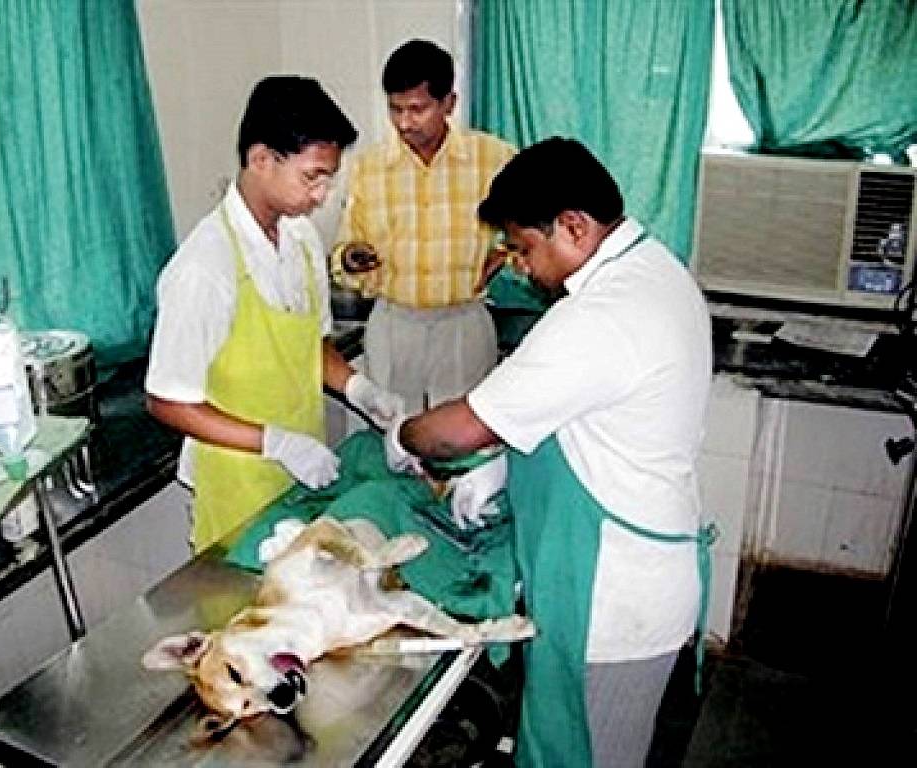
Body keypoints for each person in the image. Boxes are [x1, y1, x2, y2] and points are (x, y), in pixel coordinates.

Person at [385, 137, 714, 767]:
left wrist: (401, 435)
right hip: (633, 572)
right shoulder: (656, 270)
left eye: (526, 249)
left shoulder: (601, 314)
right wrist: (508, 465)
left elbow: (459, 430)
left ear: (574, 226)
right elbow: (594, 418)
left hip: (612, 606)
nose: (523, 268)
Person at [146, 76, 403, 554]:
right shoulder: (205, 266)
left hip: (303, 476)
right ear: (261, 159)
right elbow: (167, 400)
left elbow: (309, 347)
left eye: (329, 177)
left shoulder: (301, 239)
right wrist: (276, 444)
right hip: (239, 487)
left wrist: (359, 389)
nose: (323, 195)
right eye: (313, 176)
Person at [331, 38, 516, 413]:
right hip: (394, 323)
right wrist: (351, 258)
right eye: (395, 109)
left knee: (465, 438)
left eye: (417, 109)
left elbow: (534, 230)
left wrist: (506, 254)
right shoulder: (370, 167)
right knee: (395, 433)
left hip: (464, 321)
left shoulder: (494, 159)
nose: (404, 123)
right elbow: (344, 252)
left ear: (449, 103)